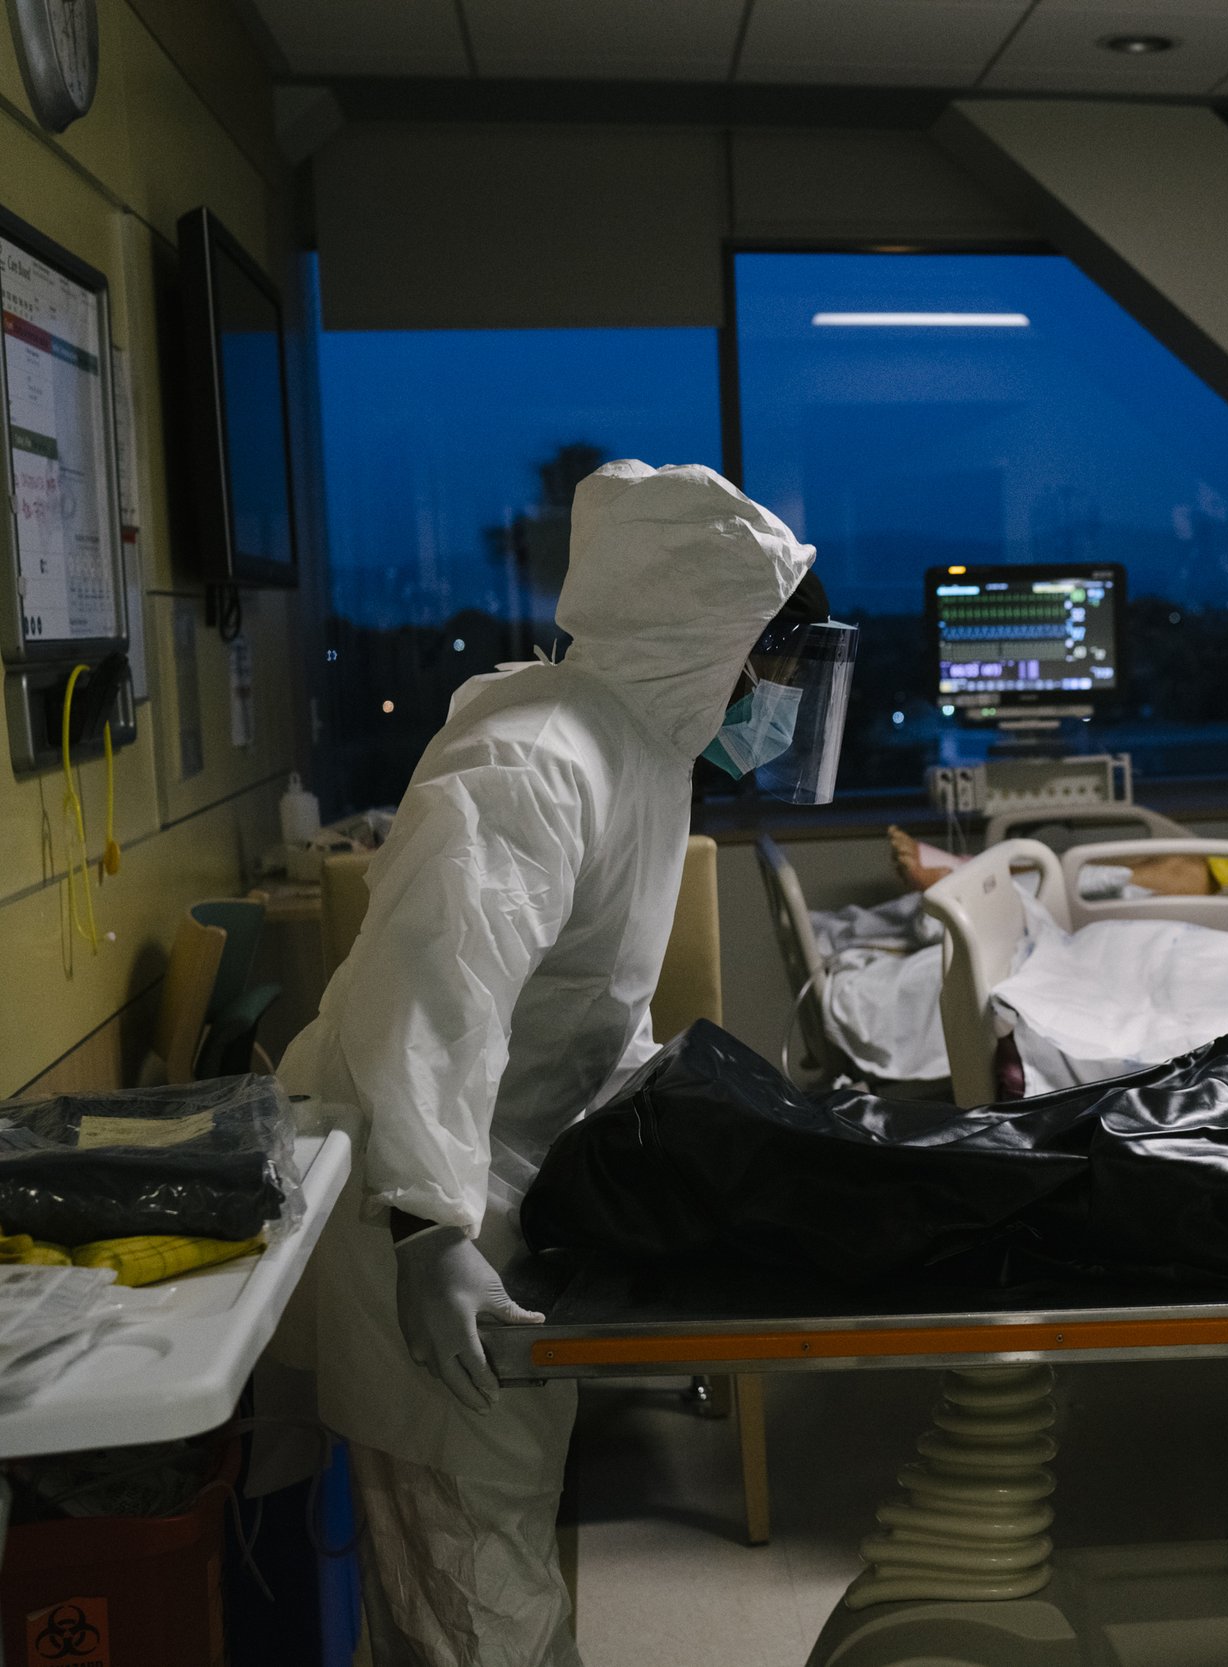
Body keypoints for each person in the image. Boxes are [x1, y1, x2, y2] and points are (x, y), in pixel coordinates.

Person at [280, 462, 844, 1665]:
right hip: (413, 1205)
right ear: (707, 639)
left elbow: (593, 1011)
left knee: (486, 1548)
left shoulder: (639, 756)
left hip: (498, 1193)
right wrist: (428, 1230)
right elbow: (430, 996)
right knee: (475, 1586)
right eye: (775, 666)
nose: (780, 700)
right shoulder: (537, 759)